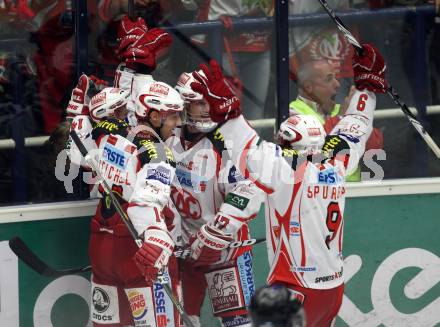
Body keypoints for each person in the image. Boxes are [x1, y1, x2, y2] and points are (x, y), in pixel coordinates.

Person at [188, 43, 387, 326]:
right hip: (332, 288)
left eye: (281, 141)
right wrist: (366, 88)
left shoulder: (285, 168)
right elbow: (356, 123)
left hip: (296, 288)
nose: (277, 144)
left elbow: (249, 149)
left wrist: (228, 114)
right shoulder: (338, 161)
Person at [67, 16, 186, 327]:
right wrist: (157, 237)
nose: (177, 124)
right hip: (138, 250)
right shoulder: (158, 152)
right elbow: (145, 202)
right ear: (156, 115)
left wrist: (79, 112)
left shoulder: (110, 136)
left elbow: (77, 152)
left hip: (102, 248)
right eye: (172, 117)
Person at [165, 70, 263, 326]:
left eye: (210, 101)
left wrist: (215, 234)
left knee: (239, 324)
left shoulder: (226, 142)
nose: (207, 108)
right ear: (183, 104)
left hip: (226, 251)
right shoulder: (167, 138)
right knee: (184, 321)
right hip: (184, 253)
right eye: (199, 103)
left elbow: (249, 190)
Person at [289, 59, 384, 181]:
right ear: (308, 87)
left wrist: (360, 114)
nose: (337, 84)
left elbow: (374, 147)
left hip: (355, 192)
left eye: (335, 78)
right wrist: (343, 119)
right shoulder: (291, 114)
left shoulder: (342, 109)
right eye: (329, 79)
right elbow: (316, 151)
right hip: (319, 193)